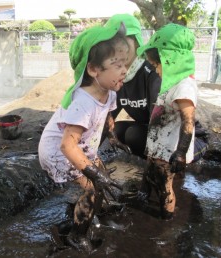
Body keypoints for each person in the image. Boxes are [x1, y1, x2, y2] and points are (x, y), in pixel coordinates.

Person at [38, 23, 129, 252]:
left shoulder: (107, 91)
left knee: (102, 174)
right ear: (93, 69)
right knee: (93, 186)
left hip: (81, 147)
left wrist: (113, 136)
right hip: (59, 153)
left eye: (125, 63)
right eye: (117, 65)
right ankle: (77, 236)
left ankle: (90, 209)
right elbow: (67, 145)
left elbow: (107, 118)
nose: (124, 70)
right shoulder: (82, 103)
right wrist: (94, 174)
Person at [137, 23, 201, 220]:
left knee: (165, 186)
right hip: (157, 146)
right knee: (148, 175)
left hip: (169, 151)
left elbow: (188, 122)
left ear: (172, 60)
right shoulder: (171, 83)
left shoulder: (185, 88)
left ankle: (166, 219)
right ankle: (142, 196)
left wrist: (180, 153)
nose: (155, 70)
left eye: (157, 65)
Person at [101, 14, 161, 158]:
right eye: (112, 44)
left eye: (123, 42)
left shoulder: (151, 71)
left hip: (168, 131)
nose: (118, 49)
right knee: (117, 130)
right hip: (144, 127)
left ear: (136, 41)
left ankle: (155, 165)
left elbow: (159, 123)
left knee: (133, 134)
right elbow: (106, 118)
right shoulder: (116, 74)